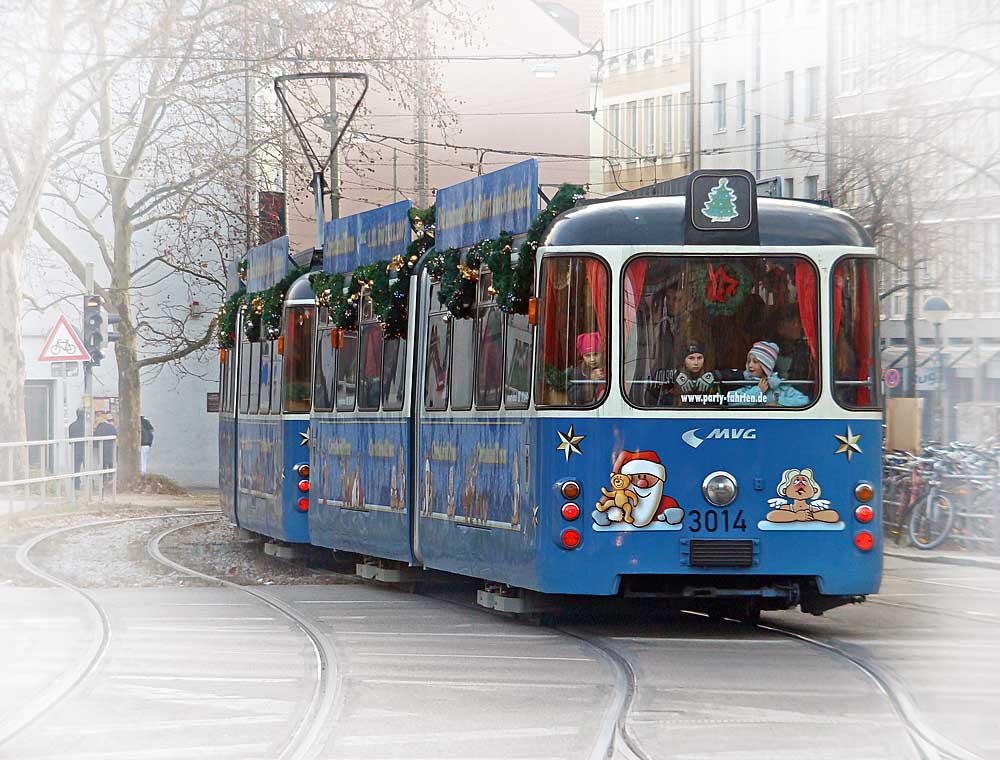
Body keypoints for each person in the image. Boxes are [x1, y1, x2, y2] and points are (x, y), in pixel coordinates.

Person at [726, 341, 808, 408]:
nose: (750, 365)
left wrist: (778, 402)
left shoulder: (781, 387)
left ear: (766, 366)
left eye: (755, 362)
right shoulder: (748, 385)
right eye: (749, 361)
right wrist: (758, 391)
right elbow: (732, 401)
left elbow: (804, 401)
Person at [568, 332, 606, 405]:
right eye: (587, 355)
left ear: (602, 353)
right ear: (582, 356)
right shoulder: (578, 372)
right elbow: (573, 397)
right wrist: (590, 381)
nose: (592, 359)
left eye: (595, 354)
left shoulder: (610, 369)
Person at [93, 415, 117, 484]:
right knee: (110, 462)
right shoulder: (111, 427)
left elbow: (96, 436)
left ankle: (103, 480)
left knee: (103, 463)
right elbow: (115, 435)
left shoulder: (100, 426)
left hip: (101, 448)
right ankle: (110, 478)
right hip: (110, 447)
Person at [68, 409, 85, 489]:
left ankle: (76, 485)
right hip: (85, 448)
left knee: (76, 468)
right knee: (88, 467)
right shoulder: (86, 426)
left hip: (76, 449)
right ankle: (89, 485)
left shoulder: (72, 426)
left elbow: (70, 441)